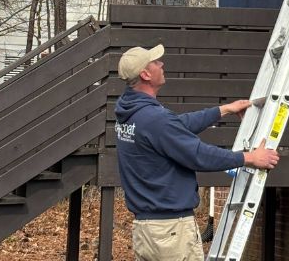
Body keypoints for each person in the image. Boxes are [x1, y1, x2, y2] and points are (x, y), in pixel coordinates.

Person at [114, 44, 279, 261]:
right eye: (155, 62)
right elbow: (199, 155)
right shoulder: (154, 119)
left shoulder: (131, 112)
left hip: (146, 230)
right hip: (171, 232)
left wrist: (224, 110)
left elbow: (176, 126)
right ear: (145, 74)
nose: (161, 64)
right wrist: (249, 158)